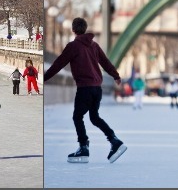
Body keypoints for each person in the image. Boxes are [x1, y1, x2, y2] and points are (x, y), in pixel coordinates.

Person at [44, 17, 127, 164]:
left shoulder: (73, 46)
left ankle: (83, 147)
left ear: (73, 30)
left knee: (77, 117)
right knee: (94, 117)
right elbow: (105, 62)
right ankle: (114, 140)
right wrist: (116, 76)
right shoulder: (94, 45)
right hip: (97, 88)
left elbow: (58, 63)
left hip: (85, 88)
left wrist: (45, 77)